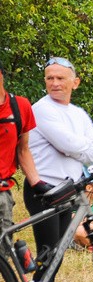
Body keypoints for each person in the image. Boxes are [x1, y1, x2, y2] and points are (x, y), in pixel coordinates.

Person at [25, 57, 93, 282]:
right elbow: (69, 145)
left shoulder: (77, 113)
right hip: (44, 191)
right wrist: (77, 149)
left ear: (75, 82)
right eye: (50, 78)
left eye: (61, 78)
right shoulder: (41, 110)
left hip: (67, 191)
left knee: (56, 259)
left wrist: (76, 150)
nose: (55, 83)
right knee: (48, 256)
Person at [0, 59, 51, 250]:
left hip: (2, 193)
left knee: (4, 251)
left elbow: (23, 149)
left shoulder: (20, 106)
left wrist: (37, 183)